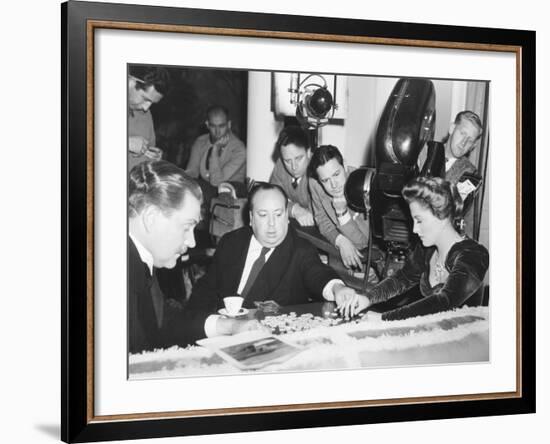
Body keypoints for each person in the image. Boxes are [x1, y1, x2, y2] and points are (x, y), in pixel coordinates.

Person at [184, 183, 360, 340]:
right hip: (220, 332)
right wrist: (197, 328)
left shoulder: (300, 250)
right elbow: (207, 288)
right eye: (263, 215)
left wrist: (338, 288)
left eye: (278, 215)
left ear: (286, 217)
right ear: (251, 218)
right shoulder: (231, 241)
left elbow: (318, 273)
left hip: (265, 341)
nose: (272, 224)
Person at [338, 176, 489, 321]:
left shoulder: (474, 255)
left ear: (442, 216)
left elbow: (444, 302)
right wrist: (367, 298)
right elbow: (401, 279)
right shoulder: (427, 250)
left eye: (419, 220)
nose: (415, 229)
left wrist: (386, 319)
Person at [308, 145, 371, 272]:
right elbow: (322, 221)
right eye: (325, 180)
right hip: (340, 253)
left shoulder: (362, 185)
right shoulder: (315, 184)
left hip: (370, 258)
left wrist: (341, 213)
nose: (333, 185)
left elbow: (362, 242)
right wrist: (340, 241)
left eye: (336, 174)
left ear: (345, 166)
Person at [186, 105, 246, 202]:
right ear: (207, 124)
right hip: (206, 190)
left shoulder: (239, 149)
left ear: (229, 124)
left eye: (222, 126)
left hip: (230, 192)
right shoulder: (200, 142)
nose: (217, 132)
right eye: (213, 126)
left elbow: (217, 182)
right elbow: (191, 172)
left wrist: (215, 151)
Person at [269, 125, 314, 226]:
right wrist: (294, 210)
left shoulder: (317, 171)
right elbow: (272, 199)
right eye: (288, 161)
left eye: (298, 158)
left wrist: (287, 207)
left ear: (308, 152)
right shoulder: (280, 165)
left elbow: (316, 214)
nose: (294, 167)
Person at [128, 66, 171, 171]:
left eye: (152, 103)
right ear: (131, 82)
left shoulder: (146, 114)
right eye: (145, 99)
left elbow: (149, 148)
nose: (146, 108)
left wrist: (153, 158)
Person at [443, 110, 483, 188]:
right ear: (452, 128)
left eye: (470, 140)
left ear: (473, 146)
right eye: (462, 133)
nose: (463, 143)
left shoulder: (471, 175)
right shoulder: (423, 152)